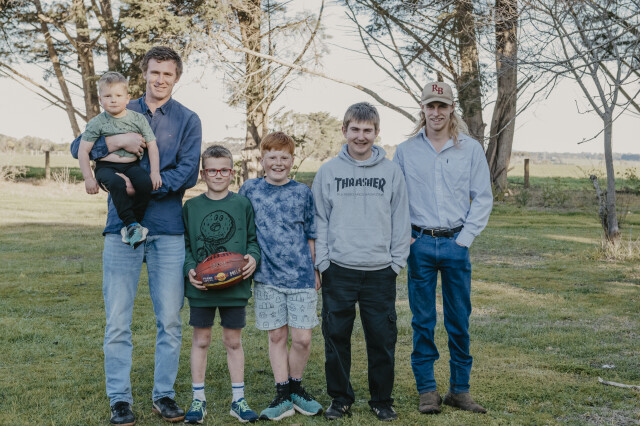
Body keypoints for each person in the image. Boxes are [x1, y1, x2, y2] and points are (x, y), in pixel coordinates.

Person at [71, 46, 202, 425]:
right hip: (121, 228)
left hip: (167, 229)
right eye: (154, 72)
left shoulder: (188, 120)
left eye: (168, 74)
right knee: (117, 319)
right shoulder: (117, 106)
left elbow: (187, 172)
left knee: (170, 320)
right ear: (144, 73)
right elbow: (77, 147)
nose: (160, 79)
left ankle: (164, 395)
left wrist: (138, 186)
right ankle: (120, 400)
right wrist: (115, 143)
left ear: (176, 78)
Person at [393, 81, 493, 415]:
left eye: (442, 106)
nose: (436, 112)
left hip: (455, 243)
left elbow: (482, 197)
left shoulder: (471, 149)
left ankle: (460, 390)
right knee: (422, 320)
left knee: (458, 319)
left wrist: (465, 239)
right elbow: (396, 199)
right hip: (419, 243)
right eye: (430, 106)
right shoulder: (406, 151)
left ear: (452, 109)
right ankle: (427, 391)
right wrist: (406, 236)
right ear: (422, 109)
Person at [312, 102, 411, 422]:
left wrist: (396, 262)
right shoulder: (328, 171)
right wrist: (323, 262)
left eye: (368, 130)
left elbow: (401, 219)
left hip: (380, 270)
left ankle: (381, 400)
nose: (361, 136)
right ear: (344, 130)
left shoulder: (391, 172)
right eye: (355, 129)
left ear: (377, 132)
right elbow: (320, 220)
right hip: (339, 268)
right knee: (336, 337)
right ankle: (340, 399)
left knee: (382, 339)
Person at [239, 132, 323, 421]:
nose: (278, 162)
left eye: (284, 157)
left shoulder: (302, 192)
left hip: (300, 276)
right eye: (272, 157)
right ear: (262, 160)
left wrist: (314, 269)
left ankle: (296, 388)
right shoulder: (250, 189)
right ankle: (282, 393)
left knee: (302, 338)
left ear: (292, 160)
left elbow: (310, 233)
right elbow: (242, 228)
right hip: (267, 276)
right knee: (277, 335)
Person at [182, 145, 261, 424]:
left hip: (235, 287)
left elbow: (252, 240)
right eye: (212, 170)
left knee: (233, 341)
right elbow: (186, 245)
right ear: (203, 174)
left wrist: (253, 257)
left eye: (224, 170)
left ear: (232, 172)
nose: (218, 175)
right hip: (202, 288)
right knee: (201, 340)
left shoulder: (242, 204)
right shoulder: (191, 207)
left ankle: (238, 400)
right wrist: (190, 269)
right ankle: (198, 400)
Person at [78, 71, 160, 247]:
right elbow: (83, 150)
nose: (113, 100)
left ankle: (134, 225)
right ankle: (131, 224)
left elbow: (152, 145)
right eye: (108, 96)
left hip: (131, 165)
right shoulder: (97, 123)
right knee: (116, 183)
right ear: (100, 99)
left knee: (145, 183)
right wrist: (88, 178)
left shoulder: (137, 119)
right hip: (105, 167)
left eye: (118, 95)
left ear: (127, 98)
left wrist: (155, 172)